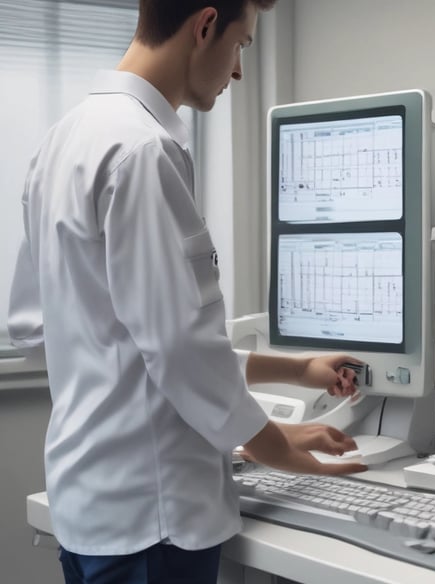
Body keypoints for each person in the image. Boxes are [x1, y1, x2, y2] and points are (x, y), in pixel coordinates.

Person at [7, 1, 366, 582]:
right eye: (243, 45)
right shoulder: (144, 151)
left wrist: (296, 374)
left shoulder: (61, 141)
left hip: (90, 502)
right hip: (154, 521)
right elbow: (179, 350)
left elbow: (45, 328)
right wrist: (282, 452)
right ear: (204, 27)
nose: (240, 70)